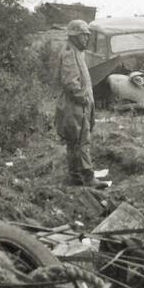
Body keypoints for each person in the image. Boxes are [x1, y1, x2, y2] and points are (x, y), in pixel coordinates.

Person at [55, 19, 97, 186]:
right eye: (83, 36)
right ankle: (83, 178)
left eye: (87, 36)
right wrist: (84, 99)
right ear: (74, 36)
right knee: (78, 141)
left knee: (79, 141)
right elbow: (71, 83)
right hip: (74, 107)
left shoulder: (76, 52)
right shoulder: (69, 53)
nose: (86, 39)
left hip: (80, 106)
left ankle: (79, 178)